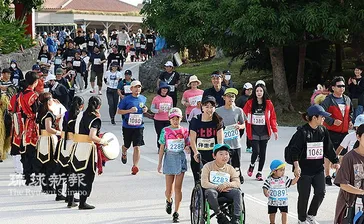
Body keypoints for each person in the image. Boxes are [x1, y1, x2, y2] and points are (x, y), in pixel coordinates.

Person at [289, 104, 340, 223]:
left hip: (318, 169)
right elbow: (294, 151)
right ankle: (301, 219)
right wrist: (296, 167)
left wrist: (335, 161)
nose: (324, 119)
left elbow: (329, 148)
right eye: (322, 117)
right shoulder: (302, 132)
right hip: (304, 171)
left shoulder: (323, 130)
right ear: (314, 117)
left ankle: (311, 215)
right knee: (304, 196)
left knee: (321, 192)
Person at [69, 96, 107, 209]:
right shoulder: (95, 119)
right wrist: (102, 141)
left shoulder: (80, 114)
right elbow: (92, 136)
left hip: (76, 147)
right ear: (98, 106)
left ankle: (70, 200)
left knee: (74, 174)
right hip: (87, 149)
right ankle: (82, 202)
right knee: (87, 175)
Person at [157, 108, 189, 223]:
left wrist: (187, 148)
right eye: (173, 119)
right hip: (169, 159)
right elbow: (162, 147)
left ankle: (176, 212)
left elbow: (188, 144)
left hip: (180, 159)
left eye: (178, 119)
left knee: (178, 188)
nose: (175, 121)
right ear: (169, 119)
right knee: (169, 189)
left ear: (181, 119)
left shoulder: (185, 131)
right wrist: (159, 163)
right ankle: (169, 200)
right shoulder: (165, 131)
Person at [321, 76, 353, 186]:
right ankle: (327, 175)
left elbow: (351, 112)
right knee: (329, 154)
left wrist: (350, 121)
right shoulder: (328, 100)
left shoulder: (347, 99)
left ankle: (338, 175)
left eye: (343, 86)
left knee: (343, 155)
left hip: (344, 131)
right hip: (331, 131)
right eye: (339, 86)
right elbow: (322, 113)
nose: (342, 88)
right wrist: (332, 121)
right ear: (333, 87)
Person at [244, 82, 278, 181]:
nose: (259, 93)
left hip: (264, 132)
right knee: (256, 151)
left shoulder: (268, 104)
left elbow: (272, 118)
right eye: (257, 91)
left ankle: (259, 172)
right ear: (254, 92)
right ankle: (252, 164)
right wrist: (240, 125)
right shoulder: (249, 103)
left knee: (262, 153)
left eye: (261, 91)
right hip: (253, 131)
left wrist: (275, 130)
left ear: (264, 92)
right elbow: (243, 115)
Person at [201, 144, 242, 224]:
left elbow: (237, 183)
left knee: (238, 192)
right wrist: (217, 187)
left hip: (227, 191)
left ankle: (236, 218)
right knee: (210, 193)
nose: (225, 156)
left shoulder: (230, 168)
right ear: (214, 156)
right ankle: (220, 216)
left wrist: (226, 184)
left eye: (226, 154)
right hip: (213, 190)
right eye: (221, 154)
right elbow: (204, 183)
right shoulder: (207, 166)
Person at [55, 96, 84, 208]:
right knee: (72, 172)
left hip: (63, 143)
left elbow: (60, 126)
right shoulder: (80, 115)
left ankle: (58, 194)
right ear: (81, 105)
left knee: (61, 169)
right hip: (73, 144)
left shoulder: (65, 114)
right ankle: (70, 197)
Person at [189, 96, 224, 184]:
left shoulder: (218, 120)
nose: (209, 109)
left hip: (212, 155)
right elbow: (192, 139)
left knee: (212, 181)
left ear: (215, 107)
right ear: (202, 107)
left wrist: (219, 155)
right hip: (198, 155)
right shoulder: (195, 120)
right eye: (206, 106)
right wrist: (195, 152)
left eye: (212, 106)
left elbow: (220, 141)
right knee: (199, 181)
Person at [334, 124, 364, 223]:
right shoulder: (349, 158)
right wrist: (362, 192)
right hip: (351, 206)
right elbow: (343, 184)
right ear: (358, 137)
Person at [118, 80, 148, 175]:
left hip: (139, 126)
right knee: (127, 145)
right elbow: (119, 111)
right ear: (131, 89)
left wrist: (145, 109)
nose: (137, 89)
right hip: (127, 126)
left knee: (137, 146)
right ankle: (124, 152)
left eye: (139, 87)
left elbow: (144, 107)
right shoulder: (126, 99)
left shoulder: (143, 98)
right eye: (135, 87)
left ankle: (135, 166)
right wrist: (129, 110)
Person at [216, 88, 246, 183]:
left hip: (236, 143)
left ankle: (236, 182)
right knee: (225, 166)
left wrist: (239, 126)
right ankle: (226, 182)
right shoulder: (218, 111)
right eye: (228, 96)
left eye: (233, 96)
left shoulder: (238, 111)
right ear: (224, 97)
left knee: (236, 166)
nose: (231, 98)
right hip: (224, 144)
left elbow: (244, 124)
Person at [35, 92, 61, 193]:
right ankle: (49, 187)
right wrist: (59, 133)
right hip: (49, 139)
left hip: (42, 139)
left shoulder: (40, 111)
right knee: (51, 164)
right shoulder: (48, 113)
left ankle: (44, 186)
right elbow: (49, 128)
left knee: (44, 163)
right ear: (48, 101)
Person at [19, 71, 40, 185]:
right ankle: (36, 176)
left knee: (25, 150)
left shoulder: (21, 95)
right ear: (35, 82)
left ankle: (27, 176)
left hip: (24, 124)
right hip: (32, 124)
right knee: (34, 151)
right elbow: (37, 111)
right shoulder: (34, 95)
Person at [263, 160, 299, 224]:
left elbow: (292, 182)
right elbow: (265, 187)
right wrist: (265, 192)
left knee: (284, 213)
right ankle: (272, 222)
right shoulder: (269, 180)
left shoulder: (284, 179)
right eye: (281, 170)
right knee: (272, 213)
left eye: (284, 170)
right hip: (272, 201)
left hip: (283, 201)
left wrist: (297, 177)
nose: (283, 172)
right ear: (274, 171)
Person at [8, 80, 27, 173]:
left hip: (16, 120)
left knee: (16, 142)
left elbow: (10, 108)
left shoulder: (15, 97)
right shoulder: (28, 96)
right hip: (26, 121)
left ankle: (17, 167)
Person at [151, 82, 173, 152]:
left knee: (167, 134)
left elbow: (172, 108)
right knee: (160, 133)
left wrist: (170, 110)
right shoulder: (156, 98)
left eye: (166, 89)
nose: (164, 90)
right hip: (158, 119)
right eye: (163, 89)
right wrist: (158, 110)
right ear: (160, 89)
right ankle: (160, 147)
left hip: (167, 119)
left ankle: (166, 146)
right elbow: (152, 109)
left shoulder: (170, 98)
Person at [236, 82, 253, 153]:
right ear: (244, 90)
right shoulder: (241, 99)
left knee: (249, 132)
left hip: (249, 118)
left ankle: (249, 147)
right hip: (241, 118)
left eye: (251, 89)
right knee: (240, 131)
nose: (249, 91)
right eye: (248, 89)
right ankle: (235, 143)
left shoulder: (252, 98)